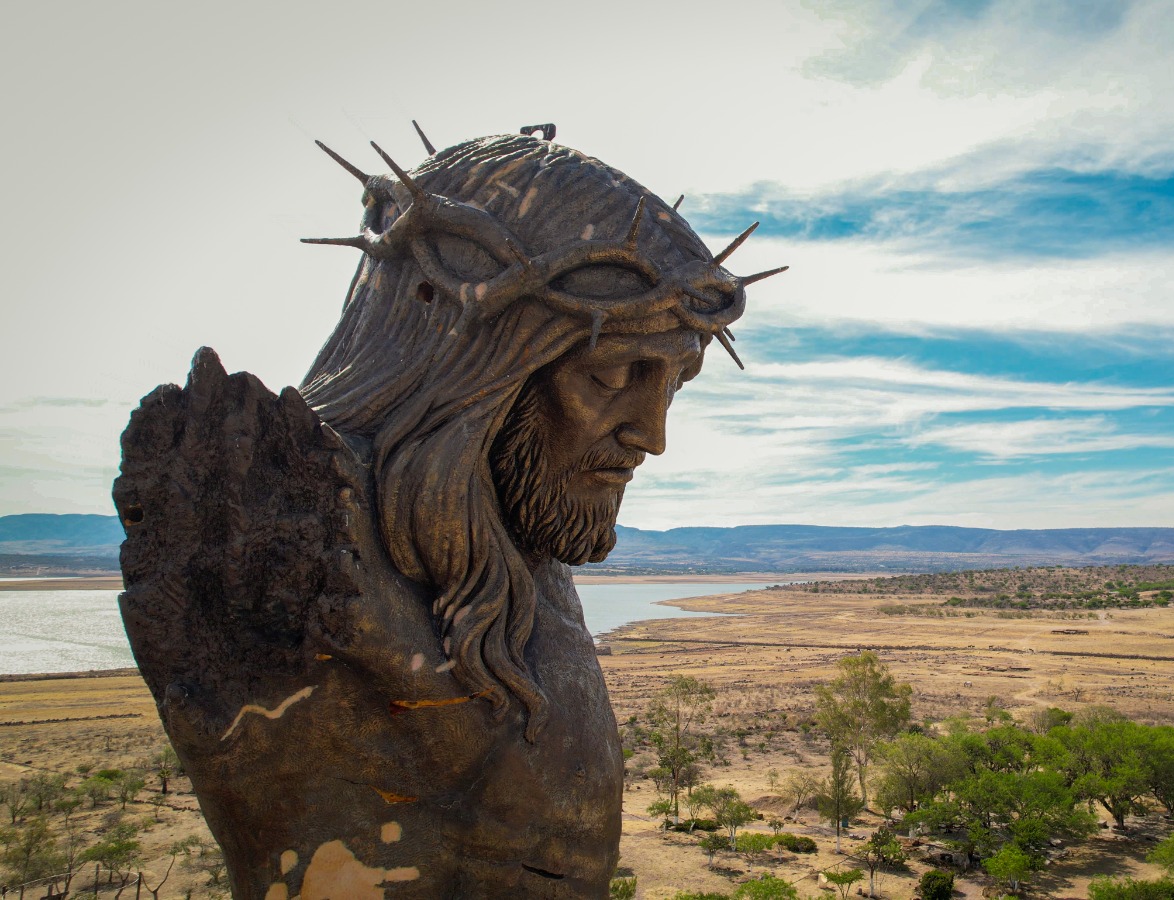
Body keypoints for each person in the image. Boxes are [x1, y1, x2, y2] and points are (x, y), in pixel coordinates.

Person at [115, 126, 782, 898]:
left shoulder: (514, 536)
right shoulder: (282, 525)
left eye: (672, 383)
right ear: (474, 363)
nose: (653, 436)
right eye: (609, 375)